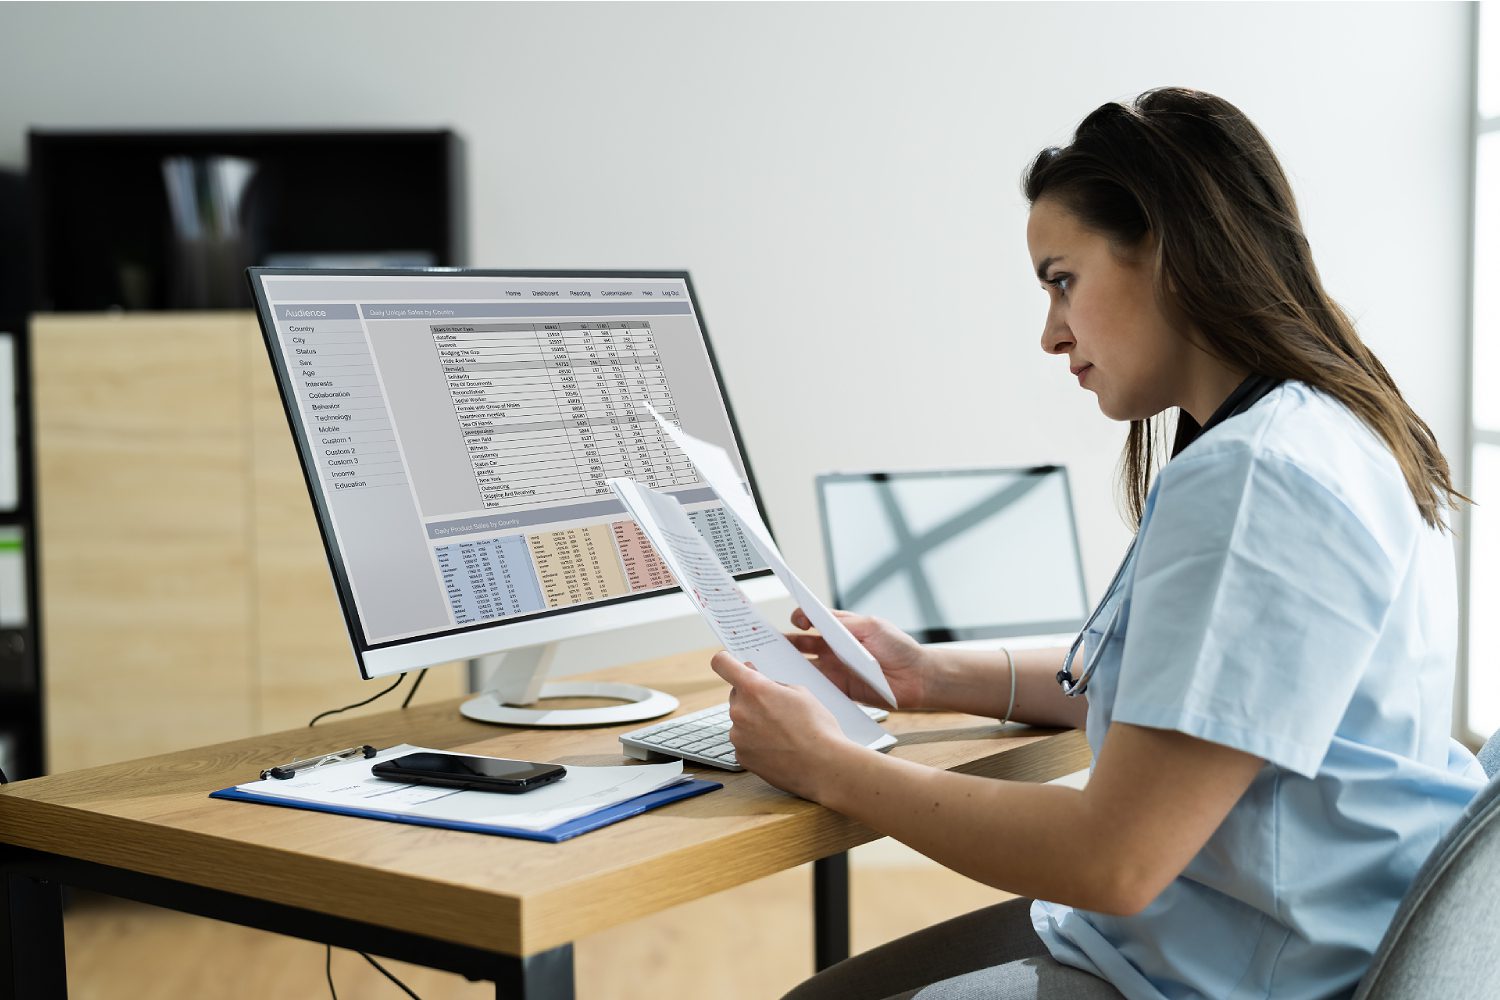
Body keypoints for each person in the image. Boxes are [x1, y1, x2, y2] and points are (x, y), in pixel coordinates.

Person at [710, 87, 1488, 1000]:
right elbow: (1197, 705)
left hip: (1243, 972)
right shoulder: (1328, 430)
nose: (1050, 333)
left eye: (1061, 279)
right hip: (1301, 931)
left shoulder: (1255, 478)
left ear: (1164, 250)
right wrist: (929, 675)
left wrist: (827, 766)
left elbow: (1114, 861)